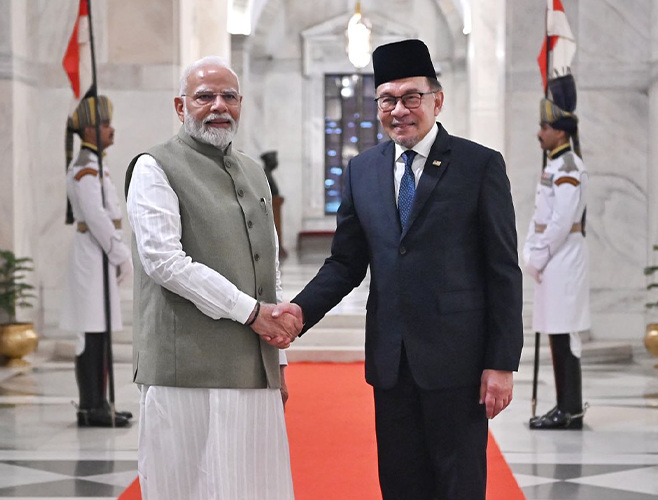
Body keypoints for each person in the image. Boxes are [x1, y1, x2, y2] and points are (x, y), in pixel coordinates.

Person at [277, 39, 523, 499]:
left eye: (411, 97)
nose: (399, 110)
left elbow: (503, 271)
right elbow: (346, 263)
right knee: (400, 483)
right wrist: (297, 312)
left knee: (459, 483)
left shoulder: (479, 165)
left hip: (459, 363)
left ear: (437, 100)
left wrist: (501, 363)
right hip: (391, 362)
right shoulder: (362, 171)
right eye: (387, 100)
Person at [124, 56, 296, 500]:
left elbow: (267, 266)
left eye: (229, 96)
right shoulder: (154, 167)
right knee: (185, 486)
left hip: (253, 367)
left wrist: (278, 363)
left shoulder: (253, 170)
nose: (219, 106)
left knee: (254, 486)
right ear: (181, 107)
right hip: (185, 369)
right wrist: (252, 313)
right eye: (205, 96)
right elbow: (165, 261)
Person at [60, 91, 135, 428]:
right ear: (89, 132)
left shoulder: (94, 167)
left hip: (98, 254)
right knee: (92, 335)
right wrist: (121, 254)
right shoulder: (85, 171)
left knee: (100, 334)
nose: (111, 130)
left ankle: (99, 403)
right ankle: (91, 407)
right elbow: (97, 219)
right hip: (94, 255)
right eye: (105, 124)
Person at [525, 74, 590, 430]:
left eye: (544, 127)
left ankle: (570, 409)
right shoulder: (556, 164)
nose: (540, 132)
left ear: (561, 132)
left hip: (562, 258)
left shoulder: (568, 168)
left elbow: (562, 221)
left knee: (565, 335)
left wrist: (537, 255)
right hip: (554, 258)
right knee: (557, 332)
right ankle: (567, 406)